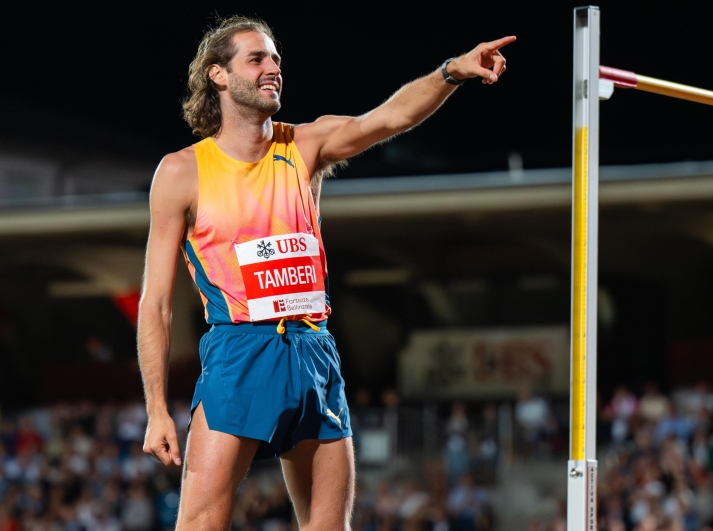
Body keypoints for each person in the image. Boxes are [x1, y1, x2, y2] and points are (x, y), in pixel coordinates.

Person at [136, 16, 514, 530]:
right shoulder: (182, 172)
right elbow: (156, 302)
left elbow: (388, 118)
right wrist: (157, 408)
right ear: (218, 76)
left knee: (328, 525)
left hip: (313, 350)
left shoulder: (305, 146)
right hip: (241, 350)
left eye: (276, 59)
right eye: (257, 58)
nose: (273, 68)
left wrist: (451, 72)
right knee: (201, 522)